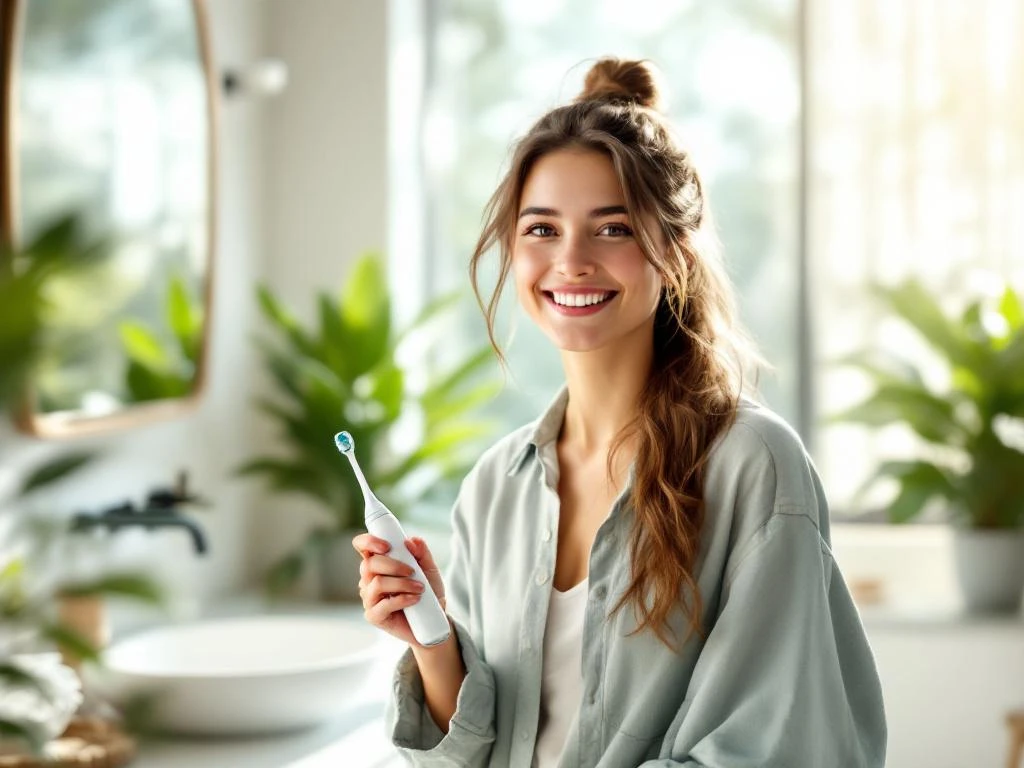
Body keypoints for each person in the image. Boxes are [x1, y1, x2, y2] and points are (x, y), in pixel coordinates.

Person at [352, 57, 887, 767]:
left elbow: (773, 747)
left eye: (613, 229)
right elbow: (480, 753)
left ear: (673, 251)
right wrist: (433, 643)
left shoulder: (754, 468)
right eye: (541, 229)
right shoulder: (494, 488)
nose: (570, 261)